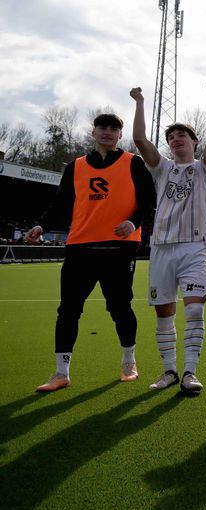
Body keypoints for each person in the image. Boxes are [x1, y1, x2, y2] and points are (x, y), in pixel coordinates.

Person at [28, 112, 156, 391]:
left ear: (119, 135)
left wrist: (133, 221)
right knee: (68, 310)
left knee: (119, 307)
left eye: (113, 128)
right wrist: (42, 226)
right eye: (102, 128)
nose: (108, 132)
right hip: (80, 248)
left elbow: (149, 200)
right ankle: (61, 373)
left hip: (119, 249)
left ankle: (128, 361)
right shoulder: (76, 166)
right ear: (94, 132)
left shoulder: (132, 163)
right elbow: (61, 204)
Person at [130, 84, 206, 394]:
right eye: (171, 137)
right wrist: (141, 102)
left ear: (193, 142)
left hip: (194, 248)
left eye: (181, 135)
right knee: (164, 311)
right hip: (161, 248)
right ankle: (168, 370)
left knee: (195, 309)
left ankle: (190, 372)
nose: (175, 139)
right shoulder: (161, 169)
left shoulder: (205, 169)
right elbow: (140, 140)